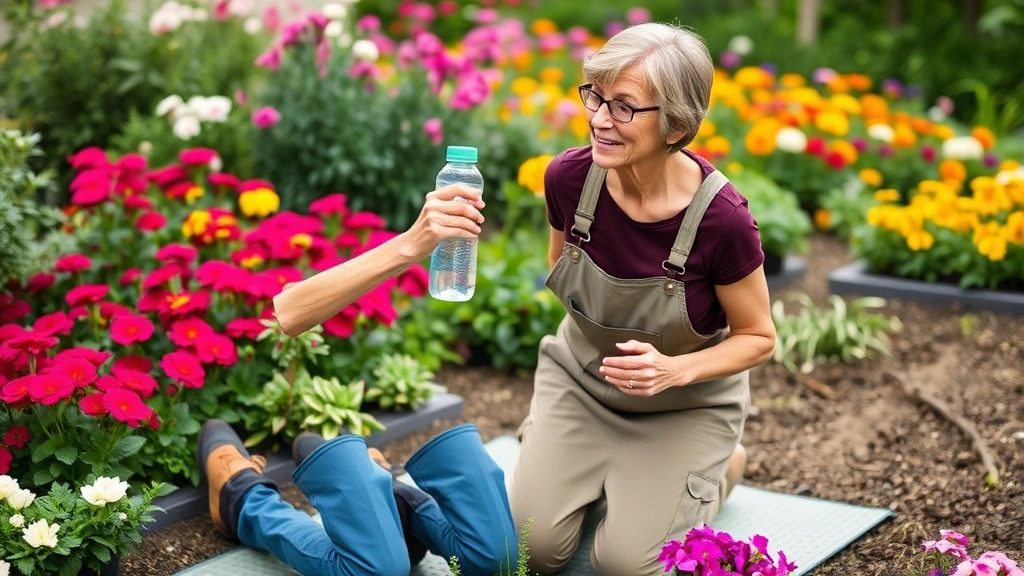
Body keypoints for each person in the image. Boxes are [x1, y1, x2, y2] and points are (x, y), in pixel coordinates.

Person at [509, 22, 777, 576]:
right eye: (596, 97)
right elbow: (562, 269)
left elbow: (758, 338)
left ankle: (721, 469)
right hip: (581, 384)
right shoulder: (567, 178)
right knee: (528, 551)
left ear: (677, 121)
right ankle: (569, 457)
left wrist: (673, 371)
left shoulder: (722, 221)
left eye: (625, 107)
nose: (600, 119)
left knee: (626, 566)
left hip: (684, 406)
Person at [198, 185, 519, 576]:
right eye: (595, 116)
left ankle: (386, 501)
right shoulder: (572, 176)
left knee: (482, 565)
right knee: (490, 559)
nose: (600, 120)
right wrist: (411, 245)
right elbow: (290, 310)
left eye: (618, 115)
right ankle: (250, 497)